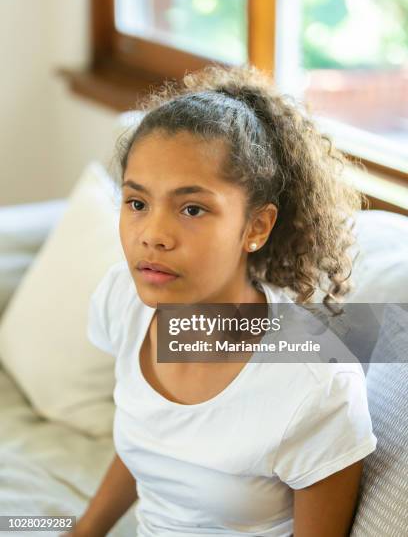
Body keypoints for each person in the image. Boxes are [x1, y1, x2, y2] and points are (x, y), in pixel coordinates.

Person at [65, 65, 377, 537]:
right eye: (137, 203)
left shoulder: (315, 384)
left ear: (256, 226)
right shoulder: (123, 301)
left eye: (192, 208)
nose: (152, 236)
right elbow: (153, 444)